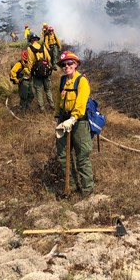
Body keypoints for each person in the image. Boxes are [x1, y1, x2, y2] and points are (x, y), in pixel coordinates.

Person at [55, 51, 94, 195]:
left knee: (82, 155)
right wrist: (58, 117)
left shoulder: (81, 81)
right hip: (64, 121)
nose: (66, 66)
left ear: (76, 64)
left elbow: (81, 103)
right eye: (63, 65)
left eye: (70, 63)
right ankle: (70, 186)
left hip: (79, 123)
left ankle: (87, 189)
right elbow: (59, 100)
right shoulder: (63, 80)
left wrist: (73, 119)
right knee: (62, 155)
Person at [26, 33, 55, 113]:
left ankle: (42, 108)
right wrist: (48, 68)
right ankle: (52, 105)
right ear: (37, 39)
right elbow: (48, 58)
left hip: (36, 73)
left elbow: (30, 62)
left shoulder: (29, 48)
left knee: (38, 90)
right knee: (48, 89)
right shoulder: (42, 46)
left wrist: (31, 75)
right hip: (46, 71)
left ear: (31, 40)